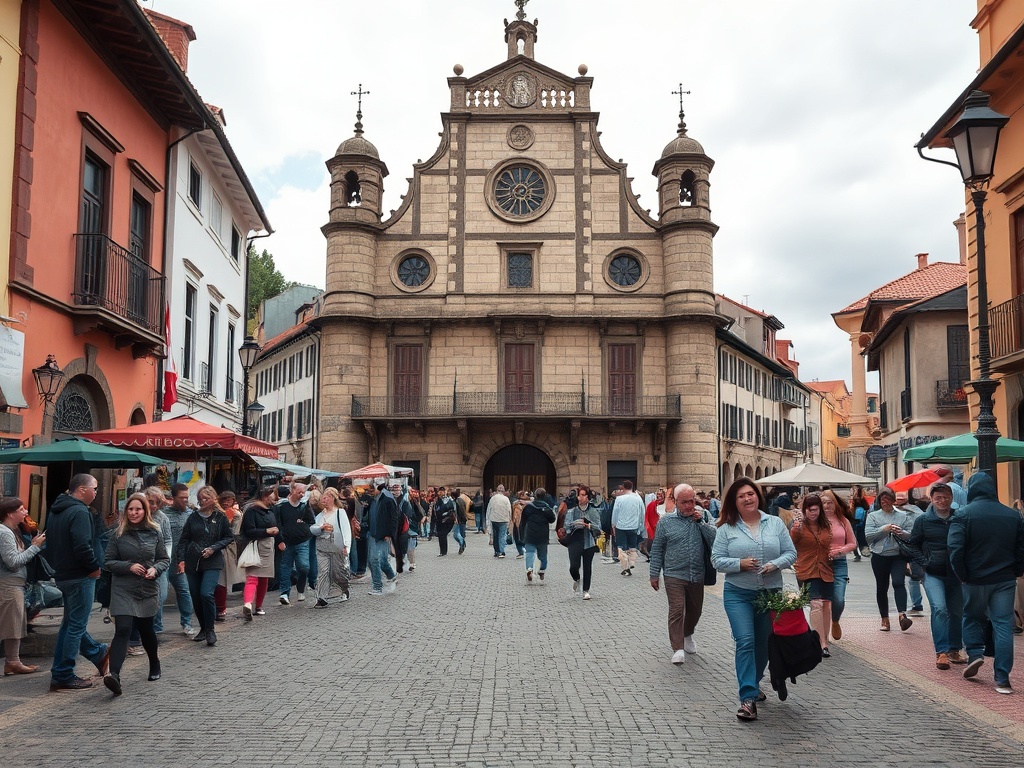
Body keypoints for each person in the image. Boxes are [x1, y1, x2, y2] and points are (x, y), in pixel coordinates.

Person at [710, 477, 797, 721]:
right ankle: (747, 698)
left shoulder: (775, 523)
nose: (747, 498)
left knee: (764, 644)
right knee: (746, 641)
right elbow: (716, 561)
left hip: (770, 594)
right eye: (741, 496)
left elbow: (790, 553)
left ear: (757, 495)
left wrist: (775, 564)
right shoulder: (726, 529)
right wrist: (740, 564)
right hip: (738, 593)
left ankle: (755, 682)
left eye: (750, 494)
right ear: (734, 502)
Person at [948, 472, 1024, 694]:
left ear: (972, 489)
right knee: (1003, 625)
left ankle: (974, 653)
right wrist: (1017, 570)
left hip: (974, 578)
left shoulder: (963, 514)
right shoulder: (1012, 515)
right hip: (1004, 578)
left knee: (971, 616)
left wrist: (961, 574)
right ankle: (1002, 679)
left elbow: (955, 549)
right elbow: (1021, 548)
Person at [46, 473, 110, 691]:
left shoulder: (56, 510)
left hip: (62, 574)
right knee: (76, 625)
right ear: (82, 489)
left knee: (69, 624)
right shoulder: (80, 511)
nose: (96, 492)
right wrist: (93, 567)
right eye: (95, 488)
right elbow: (83, 545)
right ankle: (64, 673)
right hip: (80, 575)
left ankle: (97, 653)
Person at [102, 493, 169, 696]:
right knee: (123, 629)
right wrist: (129, 566)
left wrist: (155, 569)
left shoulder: (155, 533)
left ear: (145, 511)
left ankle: (154, 663)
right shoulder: (118, 534)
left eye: (137, 509)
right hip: (123, 588)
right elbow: (108, 561)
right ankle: (114, 675)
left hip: (147, 589)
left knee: (146, 630)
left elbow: (163, 559)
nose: (133, 513)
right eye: (130, 509)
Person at [649, 484, 717, 665]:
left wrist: (701, 522)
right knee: (677, 609)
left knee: (695, 611)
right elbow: (657, 549)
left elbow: (716, 540)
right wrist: (654, 573)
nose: (689, 506)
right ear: (676, 502)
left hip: (697, 573)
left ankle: (687, 634)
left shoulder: (704, 516)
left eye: (691, 501)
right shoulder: (666, 522)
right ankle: (677, 648)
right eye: (684, 502)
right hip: (673, 573)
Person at [908, 482, 966, 670]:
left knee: (957, 612)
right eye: (938, 498)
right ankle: (941, 651)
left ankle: (954, 649)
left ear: (952, 498)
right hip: (933, 573)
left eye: (946, 497)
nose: (943, 501)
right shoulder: (923, 520)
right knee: (940, 608)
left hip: (956, 574)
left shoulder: (960, 518)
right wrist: (924, 564)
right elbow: (913, 545)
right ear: (931, 500)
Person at [175, 486, 233, 646]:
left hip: (212, 561)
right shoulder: (193, 517)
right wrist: (181, 559)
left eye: (205, 498)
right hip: (193, 561)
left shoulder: (220, 517)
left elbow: (229, 537)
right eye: (200, 498)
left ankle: (210, 629)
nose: (202, 501)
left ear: (213, 498)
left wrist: (213, 548)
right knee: (196, 596)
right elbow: (184, 539)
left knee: (206, 593)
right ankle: (203, 627)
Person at [0, 497, 46, 675]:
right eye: (21, 509)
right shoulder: (4, 532)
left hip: (15, 584)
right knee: (10, 623)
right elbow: (13, 562)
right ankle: (13, 661)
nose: (26, 512)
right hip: (8, 584)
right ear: (10, 513)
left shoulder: (14, 530)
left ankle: (13, 661)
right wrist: (35, 547)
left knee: (14, 624)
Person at [789, 494, 835, 658]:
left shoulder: (826, 525)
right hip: (807, 569)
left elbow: (830, 544)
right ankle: (819, 643)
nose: (812, 513)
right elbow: (792, 541)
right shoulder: (799, 525)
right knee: (816, 604)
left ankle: (825, 640)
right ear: (804, 510)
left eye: (815, 509)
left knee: (826, 605)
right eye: (809, 510)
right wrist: (797, 525)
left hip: (826, 569)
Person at [865, 489, 914, 632]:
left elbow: (911, 535)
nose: (885, 502)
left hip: (898, 555)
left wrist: (902, 532)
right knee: (882, 587)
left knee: (899, 582)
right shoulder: (873, 516)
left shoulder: (903, 516)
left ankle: (902, 615)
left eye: (888, 499)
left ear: (893, 501)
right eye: (882, 500)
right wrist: (884, 529)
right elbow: (869, 537)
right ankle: (884, 618)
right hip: (879, 556)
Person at [819, 490, 857, 642]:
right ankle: (822, 632)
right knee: (822, 600)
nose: (827, 506)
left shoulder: (843, 521)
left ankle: (835, 620)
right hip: (820, 563)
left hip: (839, 562)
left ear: (835, 504)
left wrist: (841, 550)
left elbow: (853, 543)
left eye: (830, 503)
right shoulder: (815, 520)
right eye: (824, 503)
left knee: (838, 598)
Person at [160, 483, 195, 637]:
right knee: (160, 593)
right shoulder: (163, 514)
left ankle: (187, 622)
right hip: (163, 560)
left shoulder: (190, 514)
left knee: (184, 591)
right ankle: (157, 626)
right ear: (173, 498)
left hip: (180, 561)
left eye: (187, 497)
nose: (185, 500)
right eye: (182, 498)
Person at [240, 486, 280, 621]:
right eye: (272, 496)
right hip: (256, 546)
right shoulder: (252, 511)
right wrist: (267, 531)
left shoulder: (270, 510)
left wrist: (280, 539)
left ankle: (258, 606)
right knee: (253, 577)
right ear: (265, 496)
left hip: (268, 547)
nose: (274, 499)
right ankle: (248, 604)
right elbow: (248, 531)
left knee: (264, 577)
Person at [311, 487, 350, 608]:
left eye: (326, 497)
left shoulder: (340, 512)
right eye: (323, 497)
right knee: (323, 572)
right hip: (321, 546)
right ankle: (321, 598)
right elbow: (313, 529)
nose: (324, 500)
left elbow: (346, 530)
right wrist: (320, 528)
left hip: (336, 546)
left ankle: (344, 589)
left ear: (332, 498)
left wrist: (346, 546)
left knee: (337, 573)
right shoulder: (320, 515)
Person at [275, 481, 313, 605]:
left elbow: (311, 521)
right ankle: (284, 593)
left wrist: (305, 527)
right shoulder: (281, 506)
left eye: (303, 492)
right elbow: (277, 524)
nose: (302, 495)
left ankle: (300, 588)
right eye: (299, 492)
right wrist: (279, 540)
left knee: (304, 567)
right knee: (286, 567)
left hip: (302, 541)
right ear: (291, 491)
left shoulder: (304, 505)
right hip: (286, 541)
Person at [563, 484, 602, 600]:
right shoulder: (572, 511)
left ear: (588, 497)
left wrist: (588, 525)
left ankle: (586, 590)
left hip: (589, 541)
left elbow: (598, 527)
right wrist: (575, 524)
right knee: (573, 566)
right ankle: (576, 578)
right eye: (580, 495)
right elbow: (566, 526)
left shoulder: (593, 511)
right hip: (574, 540)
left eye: (584, 495)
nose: (581, 498)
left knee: (587, 567)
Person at [214, 490, 243, 622]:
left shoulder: (235, 514)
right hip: (215, 547)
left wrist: (237, 518)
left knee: (223, 579)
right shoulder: (216, 512)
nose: (226, 503)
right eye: (224, 500)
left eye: (229, 500)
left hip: (227, 549)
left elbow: (234, 533)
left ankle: (221, 608)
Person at [895, 491, 925, 616]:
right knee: (915, 576)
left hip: (908, 546)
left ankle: (917, 604)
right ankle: (917, 604)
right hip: (916, 546)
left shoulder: (905, 511)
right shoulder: (917, 510)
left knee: (914, 576)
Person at [367, 483, 399, 596]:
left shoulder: (388, 499)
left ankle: (377, 587)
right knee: (378, 561)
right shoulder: (373, 499)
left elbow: (394, 518)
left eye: (371, 488)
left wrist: (389, 533)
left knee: (375, 560)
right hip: (372, 533)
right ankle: (392, 576)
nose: (369, 491)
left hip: (382, 534)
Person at [520, 488, 555, 583]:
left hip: (530, 533)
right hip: (543, 534)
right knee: (543, 554)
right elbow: (552, 519)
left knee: (529, 552)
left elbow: (523, 521)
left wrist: (521, 535)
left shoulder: (529, 507)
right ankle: (542, 570)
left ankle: (529, 569)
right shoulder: (547, 508)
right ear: (545, 496)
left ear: (535, 496)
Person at [611, 480, 645, 576]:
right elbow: (642, 513)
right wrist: (641, 526)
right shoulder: (638, 499)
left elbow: (615, 513)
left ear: (623, 487)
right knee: (632, 546)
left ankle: (625, 567)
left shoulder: (619, 499)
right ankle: (632, 562)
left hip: (621, 526)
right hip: (634, 525)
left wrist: (613, 524)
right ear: (632, 487)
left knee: (621, 547)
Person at [486, 484, 512, 558]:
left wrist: (488, 520)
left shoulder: (493, 498)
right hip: (503, 520)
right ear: (503, 491)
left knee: (496, 536)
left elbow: (488, 510)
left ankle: (496, 551)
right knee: (502, 536)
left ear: (497, 490)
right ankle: (501, 551)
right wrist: (509, 519)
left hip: (494, 519)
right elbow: (509, 510)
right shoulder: (506, 499)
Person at [432, 486, 457, 557]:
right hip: (439, 520)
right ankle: (442, 551)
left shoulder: (448, 500)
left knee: (443, 535)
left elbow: (451, 510)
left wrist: (446, 514)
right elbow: (436, 510)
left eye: (442, 491)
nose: (440, 493)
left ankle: (444, 551)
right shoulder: (438, 500)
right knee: (441, 536)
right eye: (439, 491)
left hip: (446, 520)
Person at [642, 489, 666, 562]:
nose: (659, 496)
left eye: (661, 494)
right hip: (654, 527)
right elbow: (647, 516)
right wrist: (648, 526)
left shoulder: (667, 504)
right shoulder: (652, 504)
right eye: (657, 494)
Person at [850, 485, 871, 559]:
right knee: (859, 539)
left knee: (855, 539)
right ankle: (861, 552)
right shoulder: (864, 507)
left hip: (856, 525)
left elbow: (855, 517)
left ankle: (857, 554)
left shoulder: (857, 507)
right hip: (862, 525)